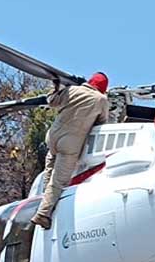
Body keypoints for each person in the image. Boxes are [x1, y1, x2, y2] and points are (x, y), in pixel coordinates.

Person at [31, 72, 109, 229]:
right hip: (69, 144)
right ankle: (43, 214)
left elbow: (52, 101)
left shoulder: (72, 90)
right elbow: (102, 122)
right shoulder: (101, 100)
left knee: (49, 171)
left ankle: (44, 202)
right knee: (59, 181)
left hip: (53, 137)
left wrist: (55, 87)